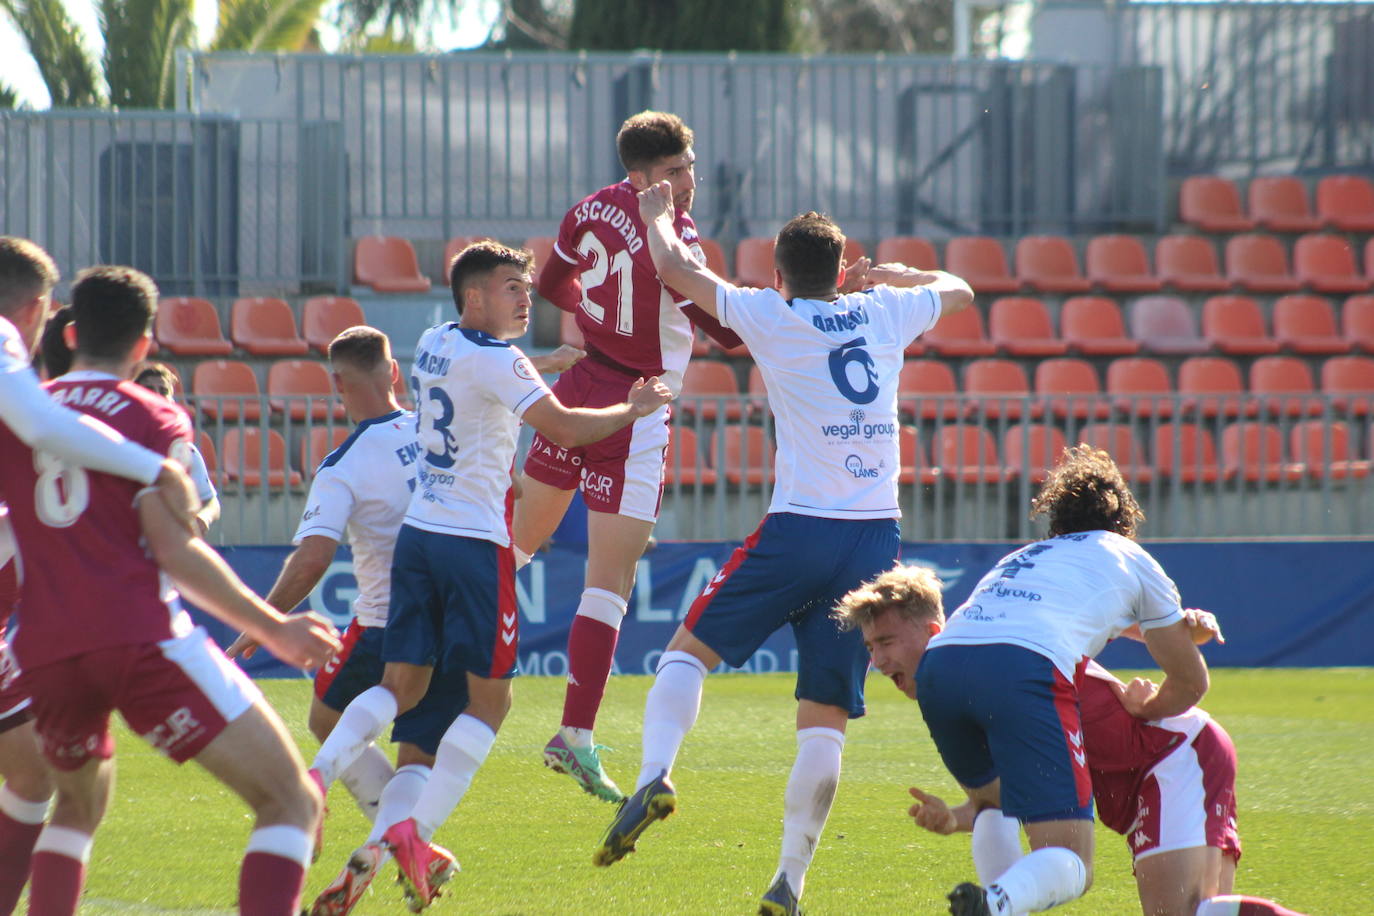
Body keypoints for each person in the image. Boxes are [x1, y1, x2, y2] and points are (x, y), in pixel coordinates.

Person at [595, 184, 974, 916]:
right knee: (825, 715)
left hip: (799, 526)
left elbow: (676, 269)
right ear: (840, 272)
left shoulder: (769, 312)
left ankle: (656, 774)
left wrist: (654, 217)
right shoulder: (886, 311)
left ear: (778, 274)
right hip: (874, 538)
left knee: (684, 655)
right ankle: (789, 883)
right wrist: (894, 277)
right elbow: (957, 289)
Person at [300, 241, 672, 909]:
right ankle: (414, 829)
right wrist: (632, 409)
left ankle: (319, 777)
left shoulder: (437, 340)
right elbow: (563, 427)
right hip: (474, 547)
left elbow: (491, 384)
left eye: (525, 286)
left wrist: (545, 364)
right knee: (492, 703)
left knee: (401, 684)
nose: (526, 297)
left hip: (420, 537)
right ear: (475, 297)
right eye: (510, 288)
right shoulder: (498, 359)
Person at [0, 265, 341, 916]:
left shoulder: (24, 411)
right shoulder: (153, 413)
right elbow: (175, 550)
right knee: (291, 801)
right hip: (137, 637)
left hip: (42, 650)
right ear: (145, 345)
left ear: (68, 334)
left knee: (73, 809)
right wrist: (276, 627)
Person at [512, 111, 747, 803]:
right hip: (639, 409)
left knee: (514, 547)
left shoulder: (588, 209)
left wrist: (594, 324)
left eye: (692, 165)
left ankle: (421, 655)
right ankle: (574, 736)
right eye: (675, 171)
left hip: (580, 389)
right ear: (642, 177)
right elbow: (727, 334)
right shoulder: (674, 237)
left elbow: (552, 285)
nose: (689, 180)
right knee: (607, 581)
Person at [832, 563, 1287, 916]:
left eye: (886, 642)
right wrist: (955, 817)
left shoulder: (987, 659)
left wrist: (1174, 624)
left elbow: (1094, 614)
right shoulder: (964, 687)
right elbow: (1017, 793)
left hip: (1172, 756)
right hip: (1153, 772)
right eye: (870, 648)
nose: (877, 660)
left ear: (933, 632)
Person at [911, 445, 1211, 916]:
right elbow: (1191, 683)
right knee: (1072, 860)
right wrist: (1145, 707)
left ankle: (998, 904)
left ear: (1056, 519)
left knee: (998, 801)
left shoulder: (1026, 555)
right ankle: (996, 901)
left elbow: (1070, 615)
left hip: (939, 667)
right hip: (1023, 669)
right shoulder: (1130, 555)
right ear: (1125, 518)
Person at [0, 237, 201, 530]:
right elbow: (41, 425)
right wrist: (157, 469)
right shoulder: (159, 417)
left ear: (71, 337)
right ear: (35, 309)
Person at [132, 361, 221, 534]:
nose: (157, 395)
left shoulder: (186, 452)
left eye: (163, 391)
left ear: (171, 401)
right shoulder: (115, 444)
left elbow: (211, 502)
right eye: (149, 389)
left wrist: (203, 519)